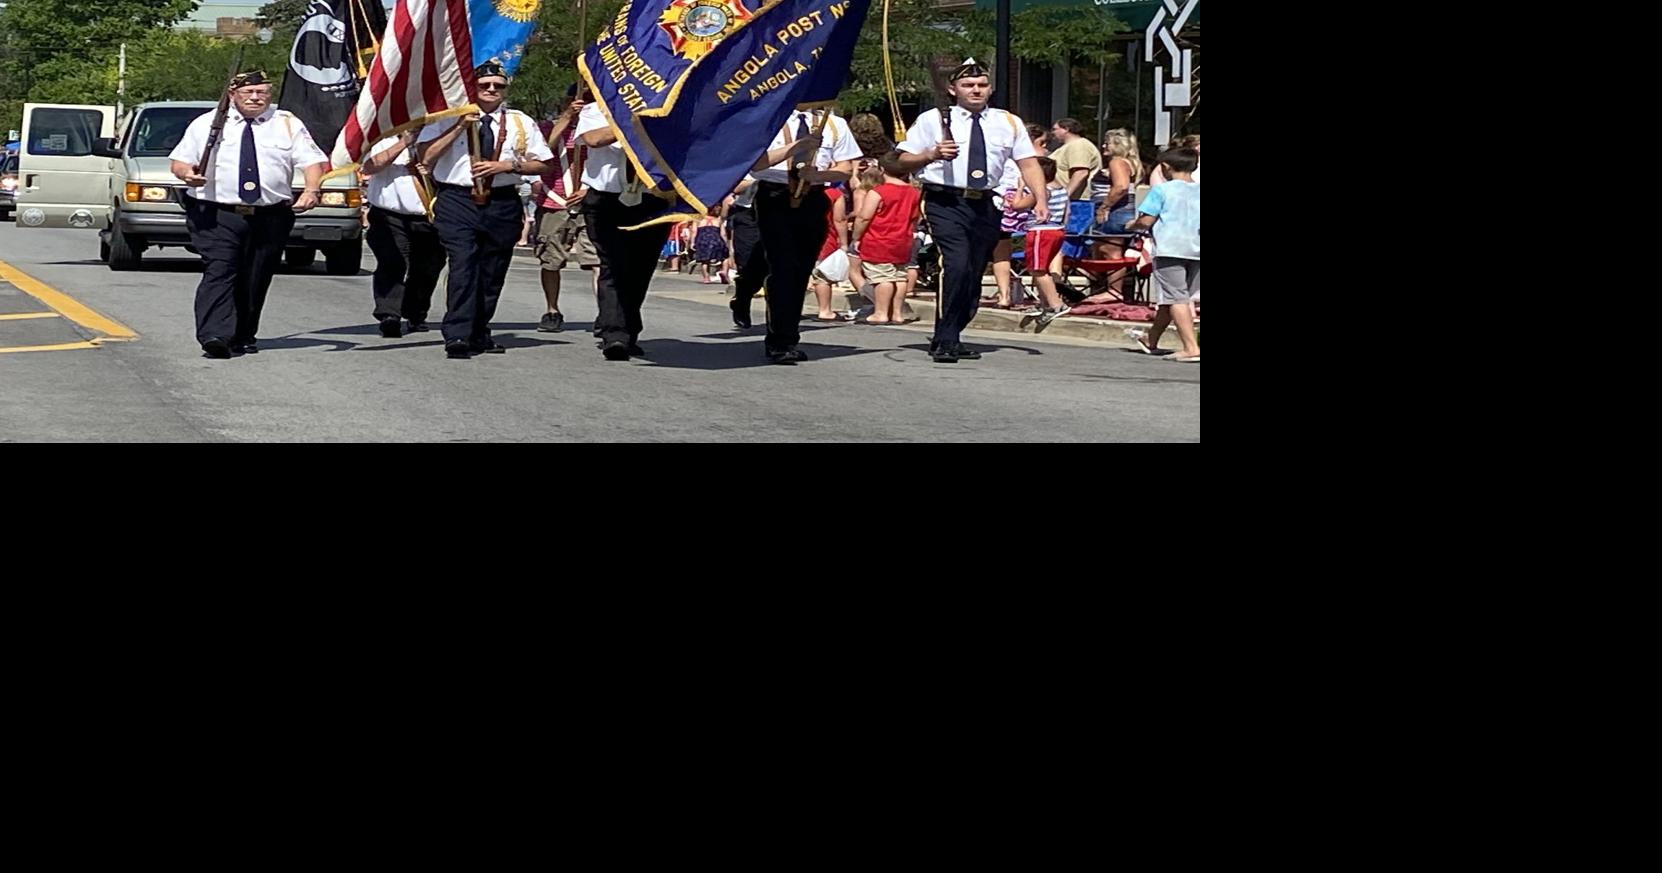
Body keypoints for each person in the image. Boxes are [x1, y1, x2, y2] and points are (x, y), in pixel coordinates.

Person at [894, 58, 1048, 363]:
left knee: (974, 271)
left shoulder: (1008, 121)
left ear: (990, 89)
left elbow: (1028, 163)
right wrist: (931, 154)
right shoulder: (933, 119)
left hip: (984, 202)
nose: (975, 90)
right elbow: (899, 160)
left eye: (981, 85)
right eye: (967, 85)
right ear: (953, 89)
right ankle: (945, 339)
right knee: (956, 263)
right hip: (945, 200)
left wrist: (1040, 197)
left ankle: (953, 330)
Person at [167, 70, 327, 359]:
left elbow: (312, 160)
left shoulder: (286, 123)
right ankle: (214, 334)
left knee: (256, 274)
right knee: (221, 267)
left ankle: (243, 334)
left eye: (262, 92)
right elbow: (179, 162)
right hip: (217, 213)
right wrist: (187, 175)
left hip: (270, 215)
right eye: (247, 93)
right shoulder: (208, 124)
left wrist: (311, 189)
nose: (255, 98)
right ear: (232, 95)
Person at [416, 60, 554, 359]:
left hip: (502, 199)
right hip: (457, 199)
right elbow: (425, 156)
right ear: (471, 87)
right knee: (464, 264)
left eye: (498, 86)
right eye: (484, 85)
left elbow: (544, 163)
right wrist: (458, 126)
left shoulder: (520, 121)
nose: (492, 90)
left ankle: (479, 331)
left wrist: (508, 165)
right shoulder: (446, 118)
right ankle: (457, 334)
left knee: (492, 271)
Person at [748, 107, 861, 363]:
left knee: (801, 270)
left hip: (813, 196)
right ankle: (780, 340)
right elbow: (757, 163)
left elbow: (845, 168)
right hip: (775, 195)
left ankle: (788, 333)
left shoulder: (833, 122)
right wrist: (797, 146)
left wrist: (820, 175)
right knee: (783, 266)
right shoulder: (769, 116)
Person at [361, 124, 446, 337]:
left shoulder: (438, 136)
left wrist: (425, 165)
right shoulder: (382, 138)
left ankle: (415, 312)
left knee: (427, 268)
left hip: (428, 215)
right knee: (392, 262)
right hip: (388, 215)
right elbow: (370, 167)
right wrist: (404, 142)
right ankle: (389, 314)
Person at [1124, 146, 1200, 363]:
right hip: (1196, 248)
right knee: (1172, 297)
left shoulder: (1162, 190)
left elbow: (1146, 220)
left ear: (1165, 168)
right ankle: (1152, 339)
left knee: (1176, 297)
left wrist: (1133, 224)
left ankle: (1190, 347)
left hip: (1170, 248)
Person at [850, 150, 922, 325]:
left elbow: (864, 217)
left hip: (879, 239)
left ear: (882, 169)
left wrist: (856, 237)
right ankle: (897, 313)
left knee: (882, 277)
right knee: (899, 276)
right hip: (903, 239)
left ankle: (880, 312)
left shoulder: (878, 192)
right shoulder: (914, 192)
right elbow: (916, 217)